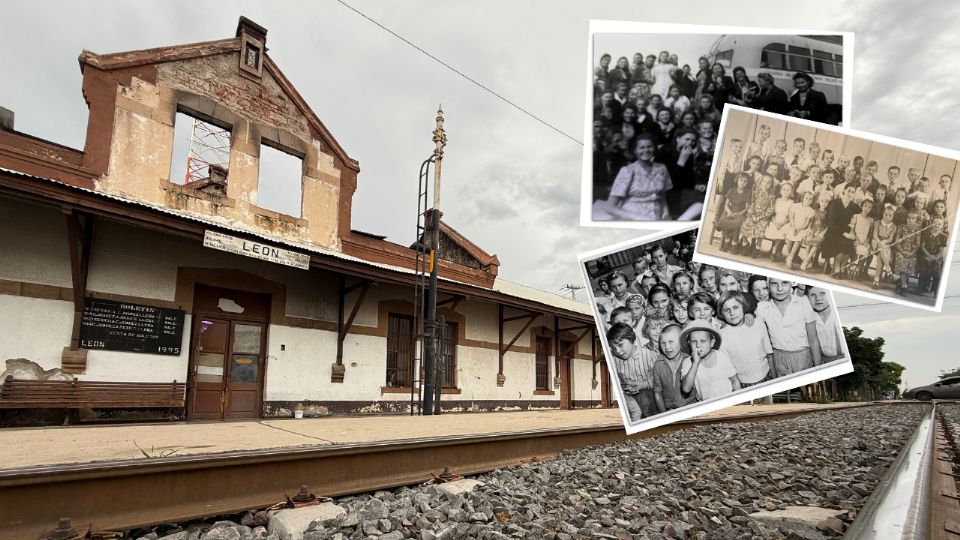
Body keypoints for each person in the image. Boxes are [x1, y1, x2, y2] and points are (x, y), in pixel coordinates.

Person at [756, 278, 822, 376]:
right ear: (768, 286)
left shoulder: (803, 302)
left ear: (791, 284)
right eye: (774, 284)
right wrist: (748, 314)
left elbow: (813, 340)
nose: (779, 288)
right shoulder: (763, 307)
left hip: (803, 357)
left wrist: (819, 369)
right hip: (778, 359)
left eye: (784, 282)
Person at [605, 135, 673, 220]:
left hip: (657, 219)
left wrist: (666, 214)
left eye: (649, 147)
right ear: (634, 151)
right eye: (641, 148)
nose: (646, 150)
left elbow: (662, 196)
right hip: (632, 220)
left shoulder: (661, 168)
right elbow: (609, 207)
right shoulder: (628, 171)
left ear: (654, 148)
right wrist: (639, 218)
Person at [717, 291, 773, 386]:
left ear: (743, 307)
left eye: (735, 307)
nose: (732, 313)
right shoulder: (722, 335)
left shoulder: (758, 323)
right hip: (743, 383)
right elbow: (728, 369)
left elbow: (769, 353)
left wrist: (774, 378)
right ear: (721, 313)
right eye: (726, 310)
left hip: (767, 375)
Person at [680, 320, 741, 401]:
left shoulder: (721, 356)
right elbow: (686, 389)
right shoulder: (688, 362)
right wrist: (695, 363)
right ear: (689, 343)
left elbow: (735, 380)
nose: (698, 345)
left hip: (728, 399)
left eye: (703, 341)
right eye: (694, 342)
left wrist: (739, 400)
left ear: (712, 343)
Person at [607, 323, 657, 421]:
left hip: (651, 399)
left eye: (620, 345)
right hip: (630, 401)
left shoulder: (649, 355)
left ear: (632, 339)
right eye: (613, 348)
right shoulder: (615, 360)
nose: (617, 351)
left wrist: (644, 384)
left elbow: (661, 378)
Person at [652, 324, 695, 412]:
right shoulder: (658, 364)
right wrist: (664, 415)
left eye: (671, 342)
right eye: (663, 343)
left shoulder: (691, 361)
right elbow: (658, 393)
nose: (667, 347)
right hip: (669, 411)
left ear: (681, 342)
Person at [820, 184, 860, 277]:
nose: (850, 193)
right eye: (849, 191)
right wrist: (844, 233)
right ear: (844, 191)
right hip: (833, 231)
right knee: (840, 242)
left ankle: (842, 267)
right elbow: (831, 222)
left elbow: (857, 221)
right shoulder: (834, 203)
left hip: (847, 233)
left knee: (849, 244)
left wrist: (852, 233)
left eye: (853, 192)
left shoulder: (854, 206)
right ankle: (836, 268)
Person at [739, 175, 777, 256]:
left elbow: (771, 209)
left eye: (768, 183)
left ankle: (757, 247)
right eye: (764, 181)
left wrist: (760, 217)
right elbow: (751, 204)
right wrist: (752, 215)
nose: (765, 184)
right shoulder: (755, 192)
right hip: (753, 215)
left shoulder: (772, 196)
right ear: (761, 182)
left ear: (771, 185)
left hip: (763, 218)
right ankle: (745, 244)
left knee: (761, 231)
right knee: (745, 226)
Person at [805, 286, 846, 362]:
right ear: (807, 298)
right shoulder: (809, 319)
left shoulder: (838, 315)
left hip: (843, 358)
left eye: (823, 293)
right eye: (813, 295)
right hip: (823, 361)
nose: (818, 298)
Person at [717, 173, 751, 252]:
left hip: (741, 213)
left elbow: (746, 208)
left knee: (737, 223)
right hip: (730, 210)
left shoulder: (747, 192)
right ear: (737, 180)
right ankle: (727, 239)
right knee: (723, 220)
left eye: (745, 181)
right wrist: (729, 211)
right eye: (741, 180)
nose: (742, 183)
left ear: (747, 183)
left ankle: (734, 242)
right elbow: (726, 204)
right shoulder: (731, 190)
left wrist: (739, 213)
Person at [784, 191, 817, 269]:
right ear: (803, 198)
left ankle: (791, 257)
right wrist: (794, 227)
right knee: (789, 236)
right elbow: (791, 218)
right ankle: (788, 255)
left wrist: (799, 229)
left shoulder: (811, 210)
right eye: (806, 198)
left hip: (802, 228)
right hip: (792, 225)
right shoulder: (795, 206)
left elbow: (806, 223)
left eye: (810, 199)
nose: (808, 200)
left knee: (799, 238)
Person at [843, 198, 875, 280]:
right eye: (865, 206)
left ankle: (858, 268)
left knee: (864, 251)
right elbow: (852, 229)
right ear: (862, 206)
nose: (867, 209)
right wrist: (856, 239)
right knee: (857, 251)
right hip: (856, 238)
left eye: (869, 207)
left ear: (871, 209)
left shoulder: (871, 220)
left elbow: (870, 232)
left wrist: (867, 241)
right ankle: (851, 266)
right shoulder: (856, 216)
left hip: (865, 240)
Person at [765, 182, 796, 262]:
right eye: (784, 189)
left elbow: (790, 217)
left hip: (785, 221)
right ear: (780, 191)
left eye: (788, 190)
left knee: (783, 230)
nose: (785, 191)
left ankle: (774, 249)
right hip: (775, 220)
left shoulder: (792, 203)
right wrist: (775, 222)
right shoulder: (776, 200)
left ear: (791, 192)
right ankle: (774, 249)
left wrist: (782, 223)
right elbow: (772, 213)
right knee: (773, 228)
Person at [893, 211, 921, 296]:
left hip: (912, 252)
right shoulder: (901, 227)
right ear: (906, 218)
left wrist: (911, 252)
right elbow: (897, 241)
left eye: (913, 218)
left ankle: (902, 283)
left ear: (916, 220)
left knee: (911, 260)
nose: (910, 220)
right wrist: (902, 251)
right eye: (909, 218)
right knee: (902, 259)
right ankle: (904, 286)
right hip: (901, 251)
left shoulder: (918, 230)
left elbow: (917, 244)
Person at [918, 216, 947, 295]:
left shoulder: (943, 236)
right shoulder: (926, 233)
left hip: (936, 257)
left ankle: (935, 287)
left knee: (938, 264)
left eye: (939, 224)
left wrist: (935, 257)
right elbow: (922, 247)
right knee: (924, 261)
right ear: (931, 223)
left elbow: (941, 250)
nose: (936, 225)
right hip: (926, 254)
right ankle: (922, 286)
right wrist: (929, 256)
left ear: (942, 225)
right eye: (934, 223)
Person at [870, 204, 898, 289]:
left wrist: (884, 242)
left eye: (890, 215)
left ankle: (876, 280)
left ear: (893, 216)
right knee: (882, 249)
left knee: (880, 257)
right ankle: (888, 269)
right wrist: (880, 242)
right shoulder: (877, 223)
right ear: (883, 214)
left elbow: (890, 239)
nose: (887, 217)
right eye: (886, 214)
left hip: (886, 244)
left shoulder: (893, 226)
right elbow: (875, 235)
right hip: (876, 242)